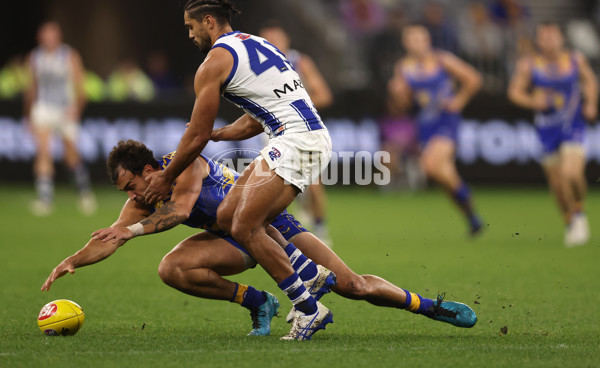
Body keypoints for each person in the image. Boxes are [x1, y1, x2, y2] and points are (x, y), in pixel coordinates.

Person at [41, 140, 478, 338]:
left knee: (353, 286)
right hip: (234, 240)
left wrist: (132, 228)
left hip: (271, 228)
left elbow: (177, 212)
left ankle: (429, 306)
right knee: (171, 268)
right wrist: (74, 259)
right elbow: (113, 237)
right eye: (126, 195)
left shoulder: (185, 165)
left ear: (151, 170)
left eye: (131, 186)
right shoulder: (142, 200)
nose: (132, 197)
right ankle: (259, 303)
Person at [127, 0, 332, 340]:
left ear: (209, 21)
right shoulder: (257, 43)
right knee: (227, 216)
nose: (190, 35)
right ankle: (306, 270)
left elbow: (195, 134)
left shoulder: (213, 63)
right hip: (302, 135)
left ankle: (309, 308)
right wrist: (221, 135)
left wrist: (167, 177)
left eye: (191, 27)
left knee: (244, 226)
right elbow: (255, 119)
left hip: (294, 141)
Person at [508, 22, 598, 247]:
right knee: (557, 184)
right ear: (538, 40)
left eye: (552, 36)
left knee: (571, 174)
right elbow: (515, 92)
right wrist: (532, 101)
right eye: (544, 37)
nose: (549, 40)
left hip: (572, 125)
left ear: (560, 38)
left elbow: (589, 81)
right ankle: (570, 221)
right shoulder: (529, 64)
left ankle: (579, 211)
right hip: (546, 130)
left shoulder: (575, 60)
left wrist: (591, 104)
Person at [388, 24, 483, 236]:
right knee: (444, 173)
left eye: (420, 39)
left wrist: (459, 100)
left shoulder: (442, 60)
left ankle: (469, 208)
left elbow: (473, 78)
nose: (417, 44)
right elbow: (404, 104)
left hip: (446, 120)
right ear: (406, 43)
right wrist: (397, 93)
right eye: (412, 40)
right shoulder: (403, 67)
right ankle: (470, 213)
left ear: (428, 40)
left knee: (430, 166)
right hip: (425, 123)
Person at [259, 21, 333, 246]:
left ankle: (321, 230)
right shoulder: (257, 68)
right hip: (272, 132)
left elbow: (324, 95)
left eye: (277, 39)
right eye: (268, 41)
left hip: (300, 130)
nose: (273, 44)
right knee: (272, 186)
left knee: (314, 184)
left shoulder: (300, 62)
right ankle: (283, 234)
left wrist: (295, 108)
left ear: (286, 41)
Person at [24, 21, 96, 216]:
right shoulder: (35, 57)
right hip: (44, 108)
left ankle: (84, 192)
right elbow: (31, 88)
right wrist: (28, 115)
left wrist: (77, 109)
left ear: (58, 37)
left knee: (71, 155)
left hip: (66, 109)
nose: (48, 39)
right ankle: (45, 198)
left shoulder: (69, 55)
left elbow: (80, 85)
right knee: (43, 152)